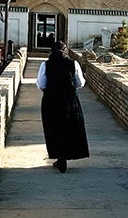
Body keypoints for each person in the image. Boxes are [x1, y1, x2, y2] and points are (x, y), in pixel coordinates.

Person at [36, 41, 89, 172]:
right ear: (66, 50)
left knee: (53, 128)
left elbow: (41, 84)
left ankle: (58, 155)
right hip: (70, 101)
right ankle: (66, 154)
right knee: (69, 127)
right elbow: (80, 83)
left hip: (51, 101)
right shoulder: (73, 64)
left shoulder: (46, 65)